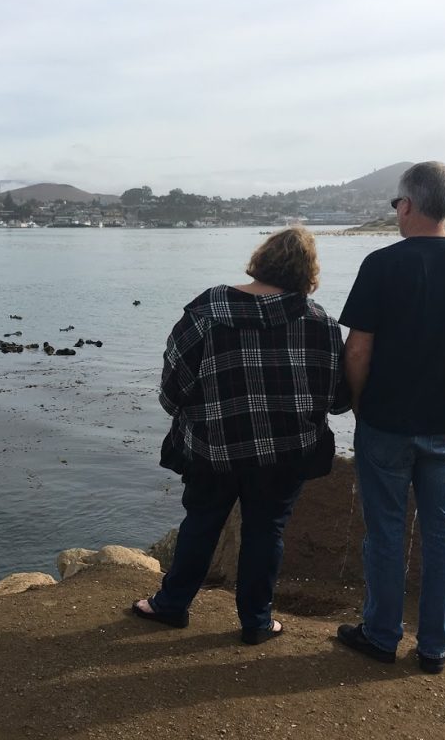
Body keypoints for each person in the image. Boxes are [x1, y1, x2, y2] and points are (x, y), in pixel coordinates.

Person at [335, 161, 445, 673]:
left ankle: (382, 633)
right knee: (442, 532)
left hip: (386, 421)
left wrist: (359, 402)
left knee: (386, 532)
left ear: (407, 205)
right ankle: (434, 646)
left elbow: (358, 352)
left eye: (396, 204)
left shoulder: (382, 264)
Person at [132, 227, 348, 644]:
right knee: (266, 531)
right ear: (308, 272)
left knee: (202, 522)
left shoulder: (207, 310)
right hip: (287, 452)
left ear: (260, 258)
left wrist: (191, 413)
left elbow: (173, 385)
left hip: (213, 447)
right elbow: (336, 399)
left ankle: (171, 605)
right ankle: (257, 622)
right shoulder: (321, 322)